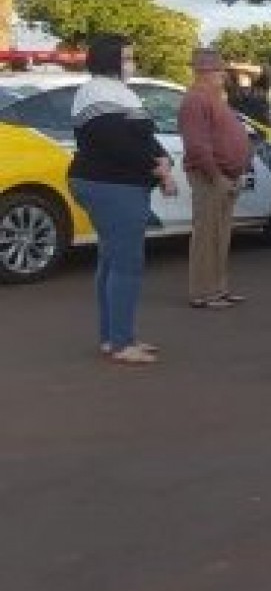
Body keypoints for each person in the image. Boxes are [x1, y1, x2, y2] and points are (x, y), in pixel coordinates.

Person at [68, 35, 177, 366]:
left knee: (112, 261)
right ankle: (121, 342)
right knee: (126, 264)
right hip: (113, 186)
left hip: (111, 183)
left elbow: (141, 137)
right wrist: (158, 167)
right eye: (127, 56)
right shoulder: (99, 93)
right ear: (110, 59)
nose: (131, 62)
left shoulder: (112, 91)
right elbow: (120, 143)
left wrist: (162, 160)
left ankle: (112, 336)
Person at [180, 46, 252, 309]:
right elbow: (197, 145)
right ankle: (203, 292)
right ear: (204, 71)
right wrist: (217, 176)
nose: (223, 74)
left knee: (220, 234)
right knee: (208, 235)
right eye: (219, 69)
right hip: (210, 176)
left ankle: (218, 288)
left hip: (223, 175)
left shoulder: (212, 98)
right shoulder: (195, 100)